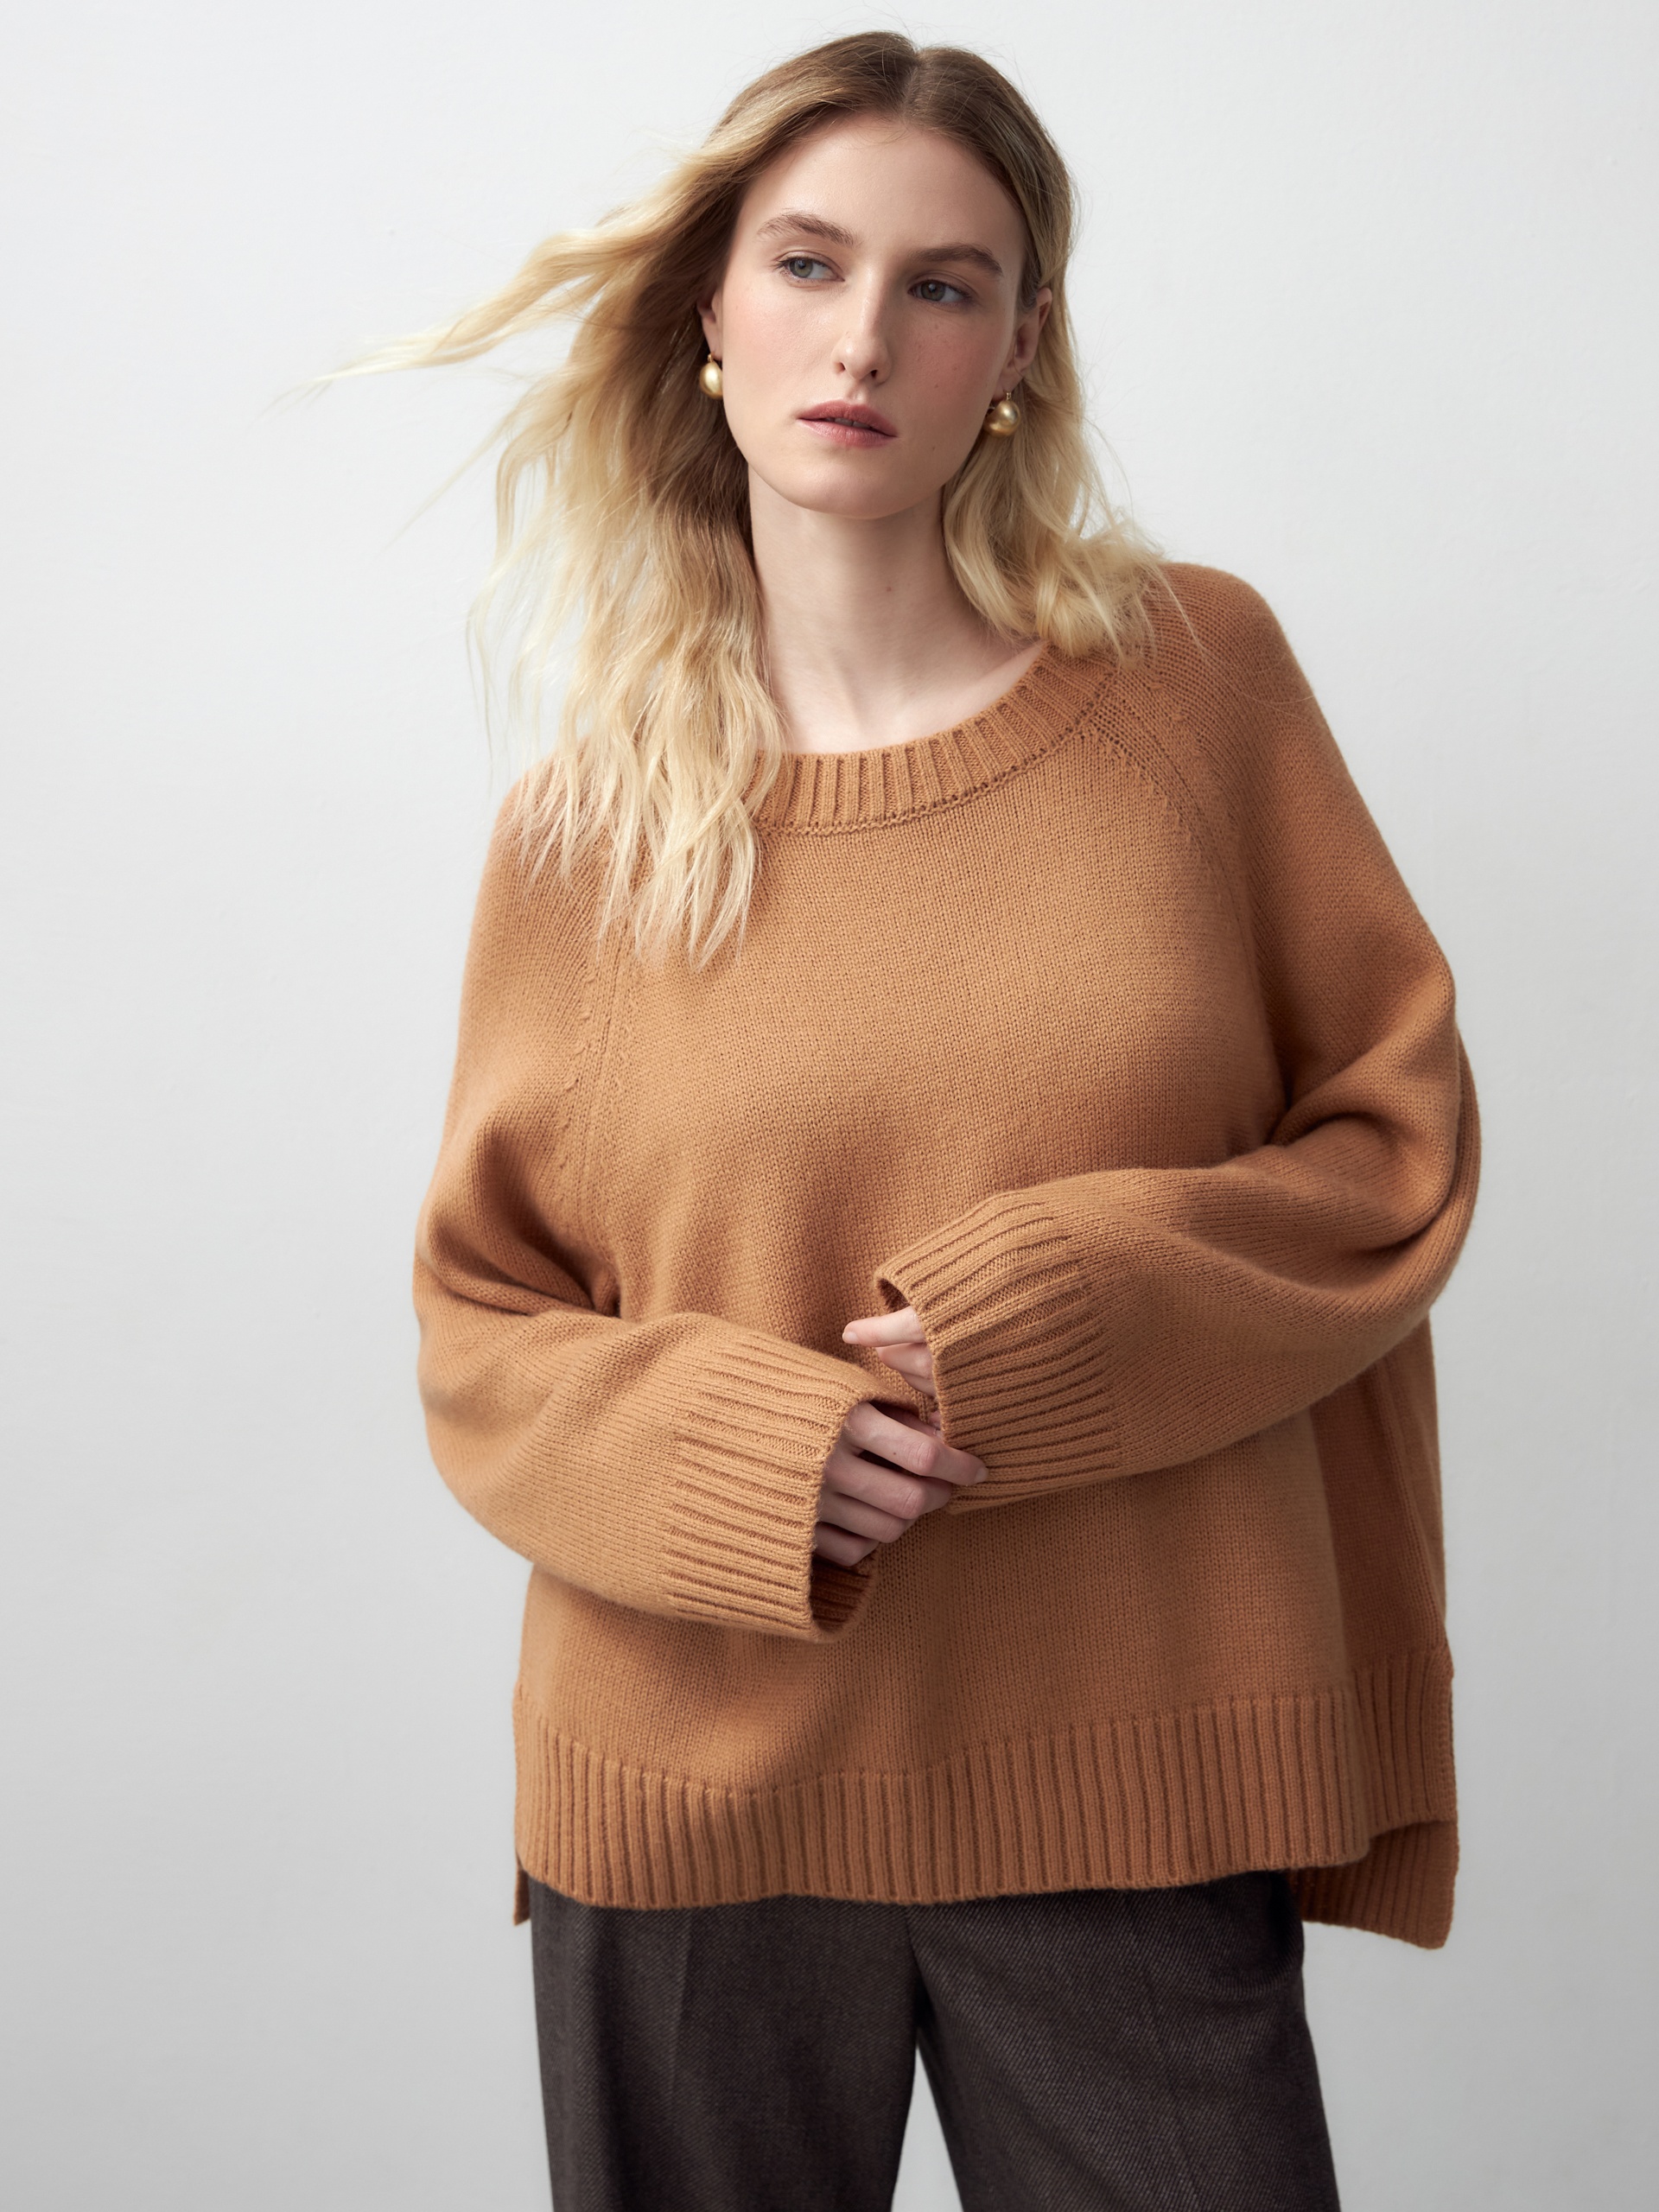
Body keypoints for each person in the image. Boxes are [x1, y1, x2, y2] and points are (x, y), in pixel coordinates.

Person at [386, 30, 1479, 2211]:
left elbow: (1397, 1151)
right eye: (809, 263)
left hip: (1133, 1774)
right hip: (690, 1804)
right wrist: (750, 1453)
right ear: (713, 308)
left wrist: (1069, 1309)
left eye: (943, 283)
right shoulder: (591, 826)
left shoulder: (1194, 688)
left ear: (1021, 347)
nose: (865, 338)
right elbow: (481, 1330)